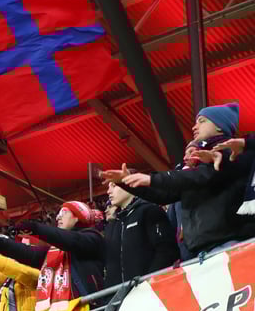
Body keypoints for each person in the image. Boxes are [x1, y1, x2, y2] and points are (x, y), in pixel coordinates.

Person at [102, 104, 255, 256]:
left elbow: (198, 176)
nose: (194, 127)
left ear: (220, 126)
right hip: (204, 249)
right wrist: (126, 182)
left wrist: (151, 179)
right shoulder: (199, 162)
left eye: (202, 121)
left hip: (229, 243)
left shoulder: (231, 152)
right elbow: (165, 195)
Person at [0, 202, 105, 311]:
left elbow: (73, 240)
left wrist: (36, 228)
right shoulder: (54, 250)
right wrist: (0, 243)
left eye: (64, 213)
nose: (58, 217)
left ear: (78, 217)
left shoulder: (93, 238)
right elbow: (29, 253)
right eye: (58, 214)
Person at [103, 177, 178, 287]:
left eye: (114, 186)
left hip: (150, 290)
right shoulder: (113, 225)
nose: (108, 191)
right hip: (121, 294)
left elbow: (166, 251)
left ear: (130, 184)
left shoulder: (149, 211)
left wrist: (147, 283)